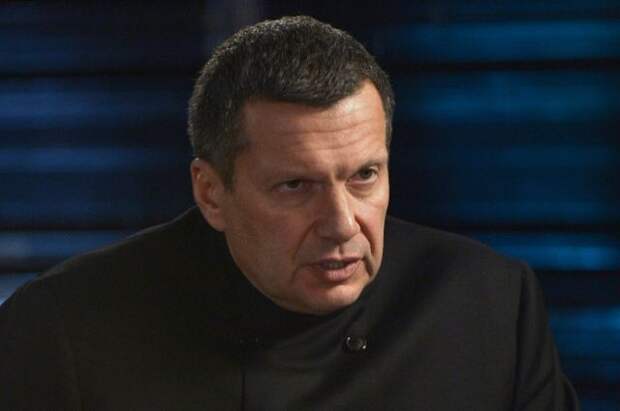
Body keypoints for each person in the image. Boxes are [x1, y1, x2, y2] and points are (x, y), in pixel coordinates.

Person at [0, 16, 579, 410]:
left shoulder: (491, 303)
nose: (342, 223)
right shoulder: (62, 330)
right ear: (211, 194)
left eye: (364, 176)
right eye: (296, 186)